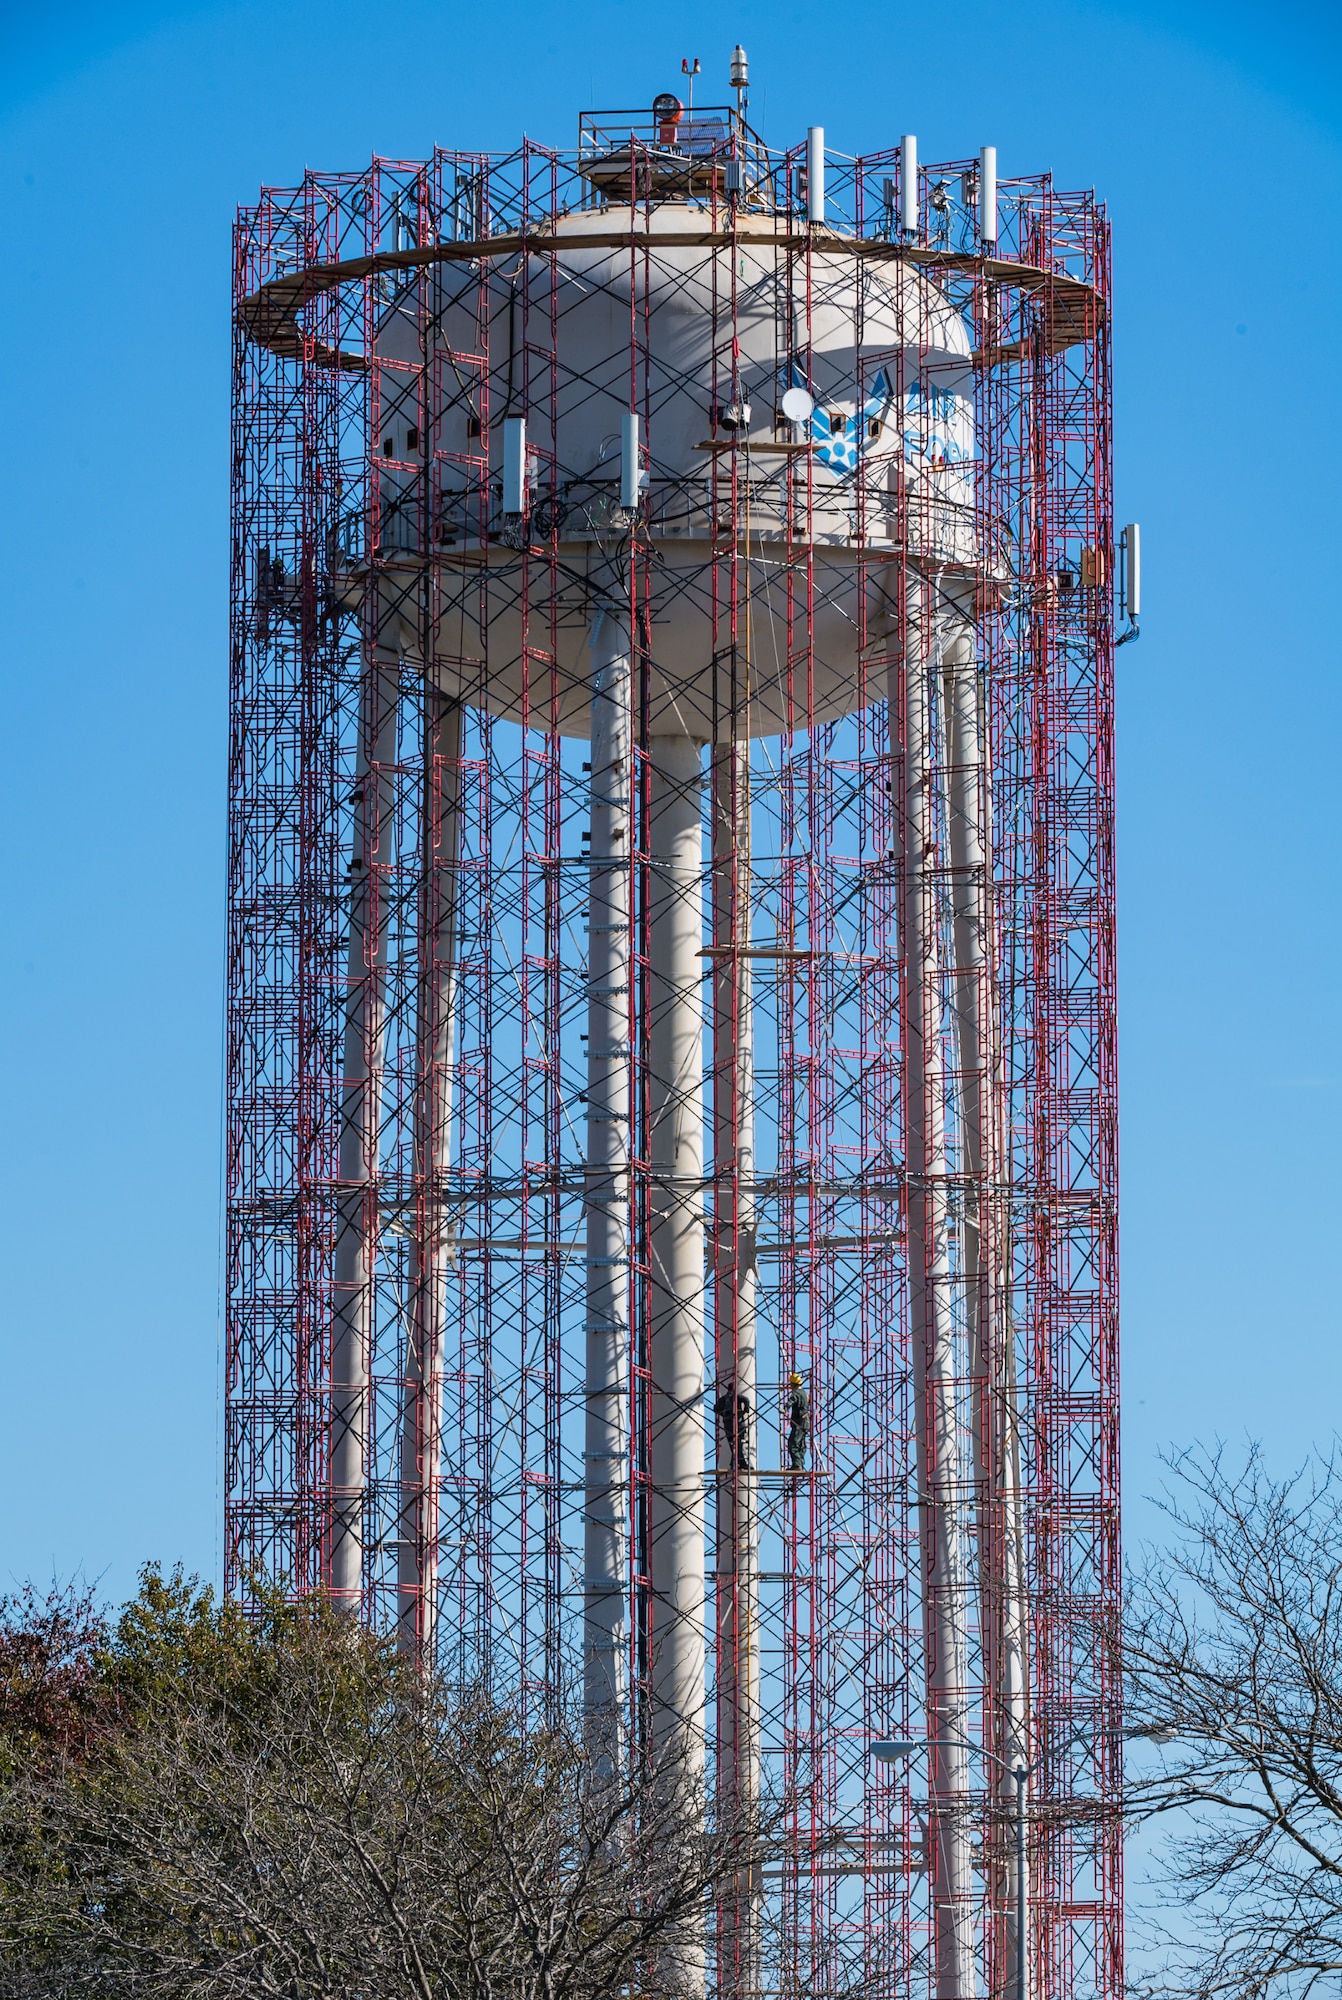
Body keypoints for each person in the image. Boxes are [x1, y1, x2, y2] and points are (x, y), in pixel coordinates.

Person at [716, 1386, 752, 1471]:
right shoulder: (736, 1396)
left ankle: (735, 1463)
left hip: (728, 1424)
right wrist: (745, 1410)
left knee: (733, 1444)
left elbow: (716, 1409)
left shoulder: (723, 1399)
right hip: (737, 1424)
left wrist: (723, 1414)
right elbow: (746, 1399)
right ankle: (740, 1463)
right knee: (738, 1444)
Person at [786, 1371, 810, 1472]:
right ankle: (800, 1464)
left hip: (799, 1423)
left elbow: (791, 1401)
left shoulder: (796, 1394)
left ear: (793, 1384)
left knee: (793, 1443)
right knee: (801, 1444)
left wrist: (785, 1408)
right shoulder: (805, 1393)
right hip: (805, 1422)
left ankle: (797, 1465)